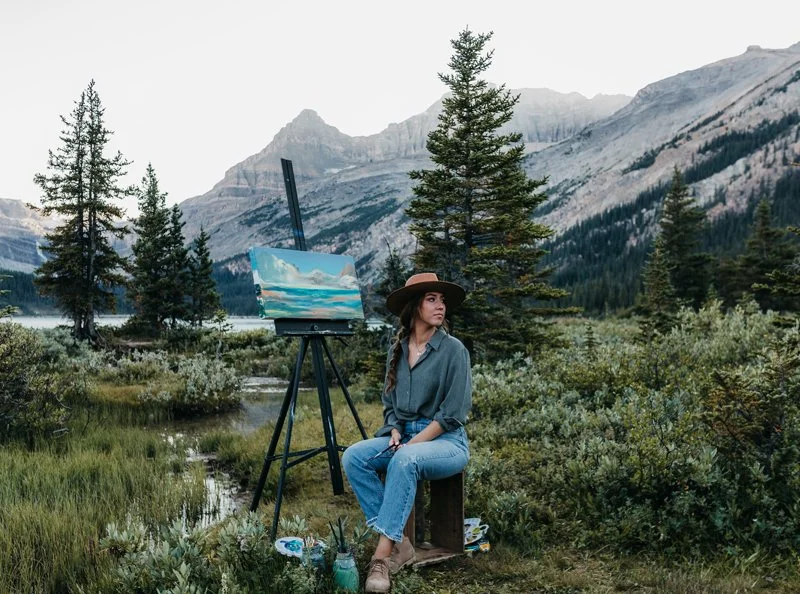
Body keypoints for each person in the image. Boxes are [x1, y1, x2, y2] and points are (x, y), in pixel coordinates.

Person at [342, 272, 472, 593]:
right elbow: (390, 405)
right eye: (432, 299)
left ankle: (381, 557)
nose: (440, 306)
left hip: (446, 441)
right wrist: (395, 430)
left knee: (405, 459)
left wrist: (411, 444)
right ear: (414, 307)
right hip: (406, 438)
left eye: (442, 300)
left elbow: (452, 414)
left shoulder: (454, 351)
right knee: (354, 457)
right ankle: (400, 541)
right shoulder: (397, 350)